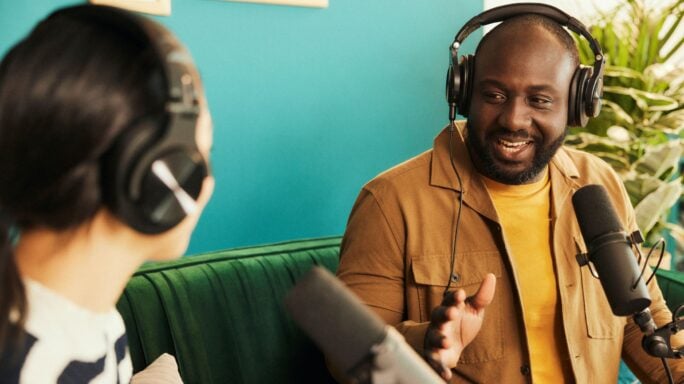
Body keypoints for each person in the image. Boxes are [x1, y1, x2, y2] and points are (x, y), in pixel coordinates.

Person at [336, 4, 684, 384]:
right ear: (463, 91)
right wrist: (426, 344)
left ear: (577, 106)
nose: (514, 120)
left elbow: (643, 327)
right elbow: (348, 353)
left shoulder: (598, 183)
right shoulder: (390, 201)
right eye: (495, 95)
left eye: (539, 100)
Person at [0, 4, 214, 382]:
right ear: (149, 169)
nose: (208, 185)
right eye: (202, 159)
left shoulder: (97, 324)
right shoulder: (28, 363)